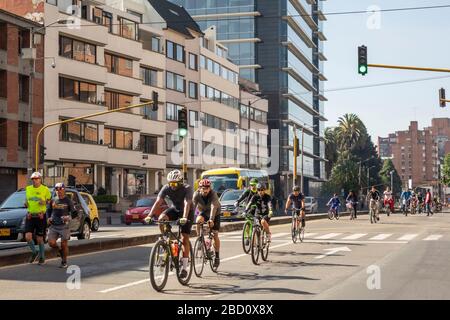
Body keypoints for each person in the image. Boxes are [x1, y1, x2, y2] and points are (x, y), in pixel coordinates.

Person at [145, 170, 193, 279]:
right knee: (161, 218)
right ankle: (166, 237)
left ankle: (184, 267)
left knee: (184, 238)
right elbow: (158, 201)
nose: (173, 186)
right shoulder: (166, 187)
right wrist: (150, 215)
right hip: (175, 209)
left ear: (180, 182)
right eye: (171, 183)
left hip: (187, 212)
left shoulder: (187, 188)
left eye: (175, 184)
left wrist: (185, 217)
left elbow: (187, 203)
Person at [192, 179, 221, 268]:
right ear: (199, 188)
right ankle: (199, 239)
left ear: (210, 188)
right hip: (204, 212)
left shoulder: (213, 194)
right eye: (203, 188)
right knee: (198, 220)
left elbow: (213, 207)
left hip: (215, 213)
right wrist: (188, 218)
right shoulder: (196, 194)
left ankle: (217, 256)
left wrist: (211, 219)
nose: (205, 190)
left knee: (215, 235)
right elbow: (192, 207)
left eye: (207, 188)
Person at [46, 183, 76, 268]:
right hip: (54, 225)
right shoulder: (53, 200)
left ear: (64, 190)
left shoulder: (68, 201)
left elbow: (74, 213)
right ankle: (59, 250)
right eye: (57, 189)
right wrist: (48, 218)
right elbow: (48, 210)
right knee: (51, 243)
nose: (58, 191)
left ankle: (64, 261)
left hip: (64, 226)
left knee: (64, 244)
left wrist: (69, 217)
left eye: (60, 189)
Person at [24, 172, 52, 265]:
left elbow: (49, 200)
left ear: (40, 179)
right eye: (33, 179)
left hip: (40, 216)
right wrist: (26, 205)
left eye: (36, 179)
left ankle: (42, 257)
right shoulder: (28, 189)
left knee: (39, 239)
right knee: (28, 237)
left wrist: (44, 202)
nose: (34, 180)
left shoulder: (45, 189)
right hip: (30, 216)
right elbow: (27, 201)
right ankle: (34, 252)